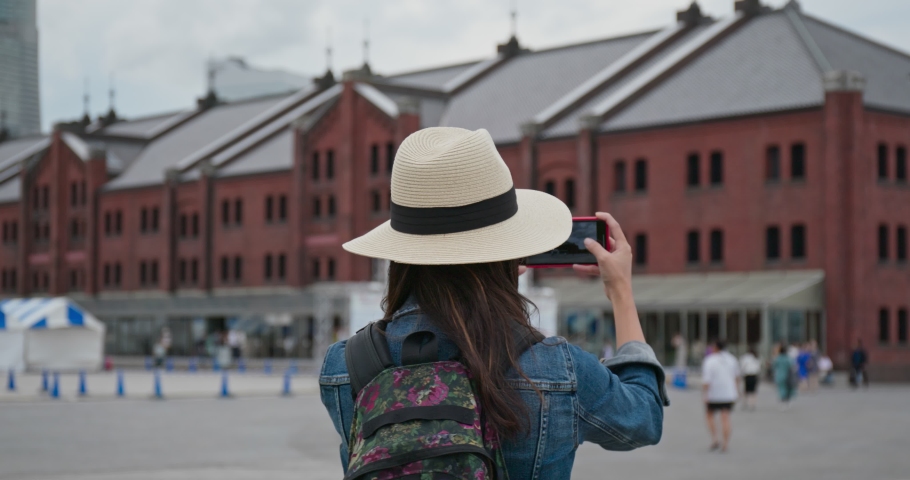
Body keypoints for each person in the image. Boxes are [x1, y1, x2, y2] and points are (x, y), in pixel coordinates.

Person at [319, 127, 667, 479]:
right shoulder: (556, 367)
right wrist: (621, 291)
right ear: (504, 250)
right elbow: (644, 419)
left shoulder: (346, 365)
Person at [701, 340, 740, 452]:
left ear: (716, 348)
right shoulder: (732, 359)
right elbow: (737, 377)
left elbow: (706, 381)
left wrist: (705, 394)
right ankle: (726, 443)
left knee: (709, 415)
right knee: (726, 417)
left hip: (714, 393)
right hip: (729, 393)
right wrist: (737, 391)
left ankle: (715, 438)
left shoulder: (710, 360)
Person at [772, 344, 796, 409]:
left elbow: (774, 366)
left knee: (781, 389)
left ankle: (782, 401)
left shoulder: (778, 358)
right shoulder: (789, 358)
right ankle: (788, 401)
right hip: (788, 375)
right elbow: (792, 366)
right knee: (788, 388)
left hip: (780, 375)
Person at [739, 346, 762, 411]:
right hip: (754, 375)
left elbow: (742, 367)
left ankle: (744, 403)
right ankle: (752, 404)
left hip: (747, 375)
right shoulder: (757, 357)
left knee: (746, 390)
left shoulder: (745, 357)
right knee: (753, 391)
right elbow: (758, 368)